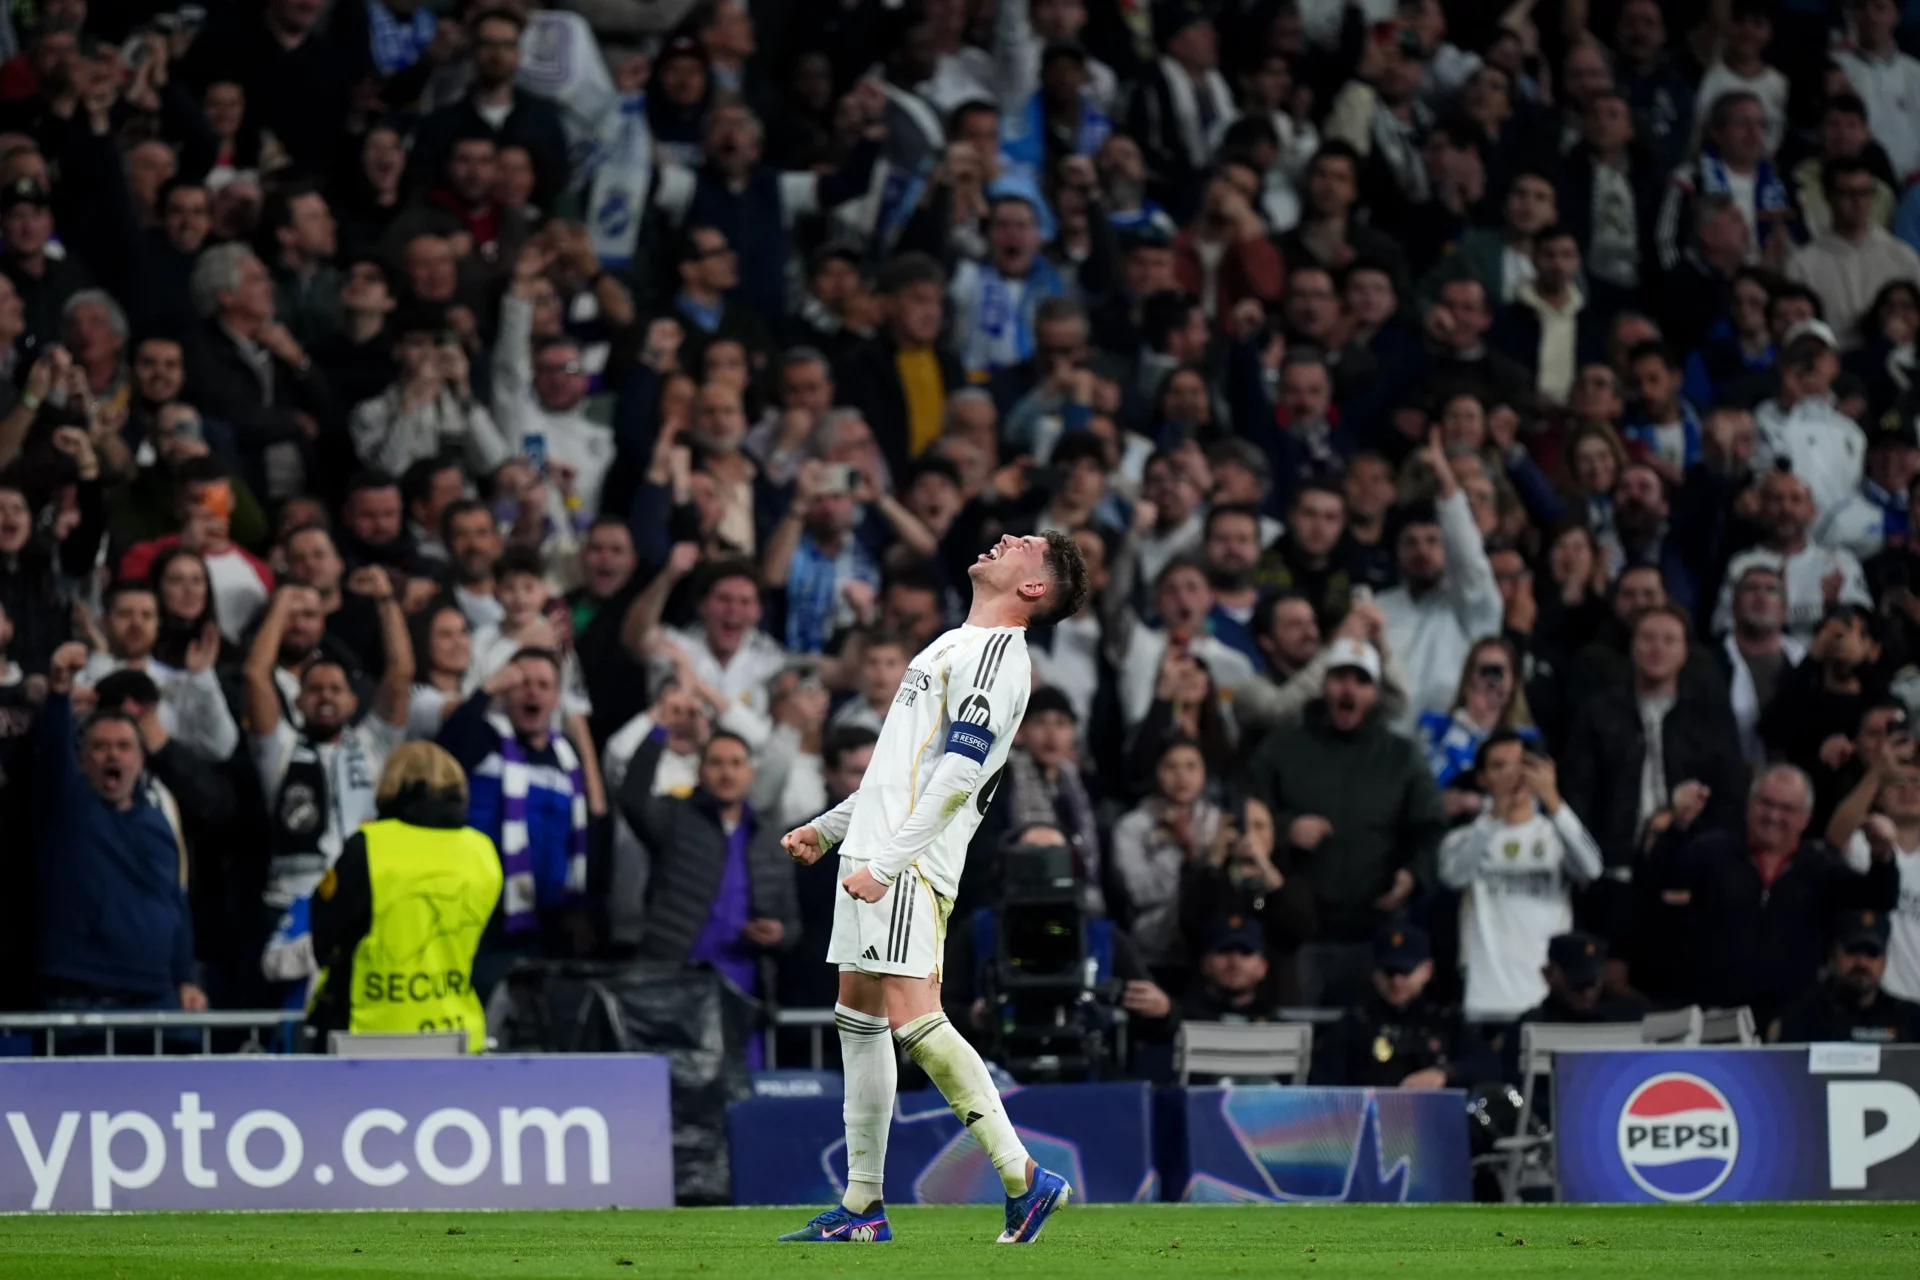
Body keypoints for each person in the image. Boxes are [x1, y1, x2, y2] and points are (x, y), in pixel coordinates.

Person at [775, 530, 1090, 1245]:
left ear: (1033, 587)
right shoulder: (953, 642)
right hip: (876, 849)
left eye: (1024, 543)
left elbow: (957, 775)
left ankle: (1023, 1176)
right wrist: (829, 829)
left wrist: (888, 864)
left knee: (915, 1018)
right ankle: (863, 1206)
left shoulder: (997, 656)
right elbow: (900, 772)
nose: (1005, 538)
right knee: (858, 1013)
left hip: (907, 862)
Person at [1240, 638, 1445, 1007]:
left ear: (1376, 692)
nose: (1349, 690)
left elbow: (1430, 827)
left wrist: (1412, 874)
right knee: (1298, 1033)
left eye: (1361, 681)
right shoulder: (1281, 748)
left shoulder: (1401, 755)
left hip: (1375, 933)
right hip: (1295, 934)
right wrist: (1286, 829)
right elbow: (1246, 813)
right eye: (1340, 678)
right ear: (1324, 684)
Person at [1645, 764, 1899, 1021]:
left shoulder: (1821, 868)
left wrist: (1883, 856)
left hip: (1790, 1021)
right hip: (1711, 1014)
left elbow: (1881, 898)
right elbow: (1656, 878)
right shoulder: (1711, 851)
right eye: (1766, 803)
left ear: (1806, 818)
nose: (1774, 816)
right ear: (1749, 805)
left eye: (1787, 809)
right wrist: (1678, 827)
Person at [35, 643, 205, 1018]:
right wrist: (59, 692)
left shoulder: (158, 821)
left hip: (157, 994)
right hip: (82, 996)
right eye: (100, 747)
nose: (113, 755)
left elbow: (175, 903)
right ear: (82, 759)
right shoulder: (69, 805)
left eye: (124, 747)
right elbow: (53, 751)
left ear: (140, 759)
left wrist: (186, 977)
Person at [305, 742, 503, 1052]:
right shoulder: (482, 851)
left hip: (366, 1036)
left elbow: (325, 936)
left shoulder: (368, 845)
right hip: (457, 1035)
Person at [1438, 734, 1604, 1021]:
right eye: (1499, 766)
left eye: (1521, 765)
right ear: (1482, 779)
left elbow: (1592, 869)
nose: (1513, 775)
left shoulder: (1556, 836)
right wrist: (1493, 819)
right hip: (1485, 1002)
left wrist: (1554, 802)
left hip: (1546, 1001)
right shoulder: (1463, 839)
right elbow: (1453, 876)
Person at [1312, 924, 1491, 1089]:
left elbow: (1488, 1067)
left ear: (1426, 970)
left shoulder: (1447, 1022)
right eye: (1389, 972)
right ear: (1375, 972)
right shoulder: (1353, 1025)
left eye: (1406, 971)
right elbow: (1322, 1084)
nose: (1396, 982)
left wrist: (1444, 1073)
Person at [1769, 910, 1920, 1044]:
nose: (1861, 962)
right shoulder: (1798, 1020)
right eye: (1852, 950)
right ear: (1833, 954)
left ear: (1884, 960)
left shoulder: (1911, 1022)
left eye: (1871, 953)